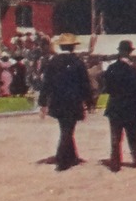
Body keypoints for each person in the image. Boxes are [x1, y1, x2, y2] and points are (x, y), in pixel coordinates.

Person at [38, 33, 95, 171]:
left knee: (65, 127)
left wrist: (43, 102)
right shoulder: (78, 62)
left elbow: (46, 84)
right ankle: (63, 160)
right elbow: (85, 84)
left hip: (57, 101)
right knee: (68, 130)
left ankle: (71, 156)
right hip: (74, 101)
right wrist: (89, 101)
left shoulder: (53, 62)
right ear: (73, 47)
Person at [102, 41, 136, 169]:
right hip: (131, 107)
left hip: (115, 105)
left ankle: (115, 161)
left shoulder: (111, 68)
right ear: (129, 53)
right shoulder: (133, 70)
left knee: (116, 137)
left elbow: (106, 88)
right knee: (133, 136)